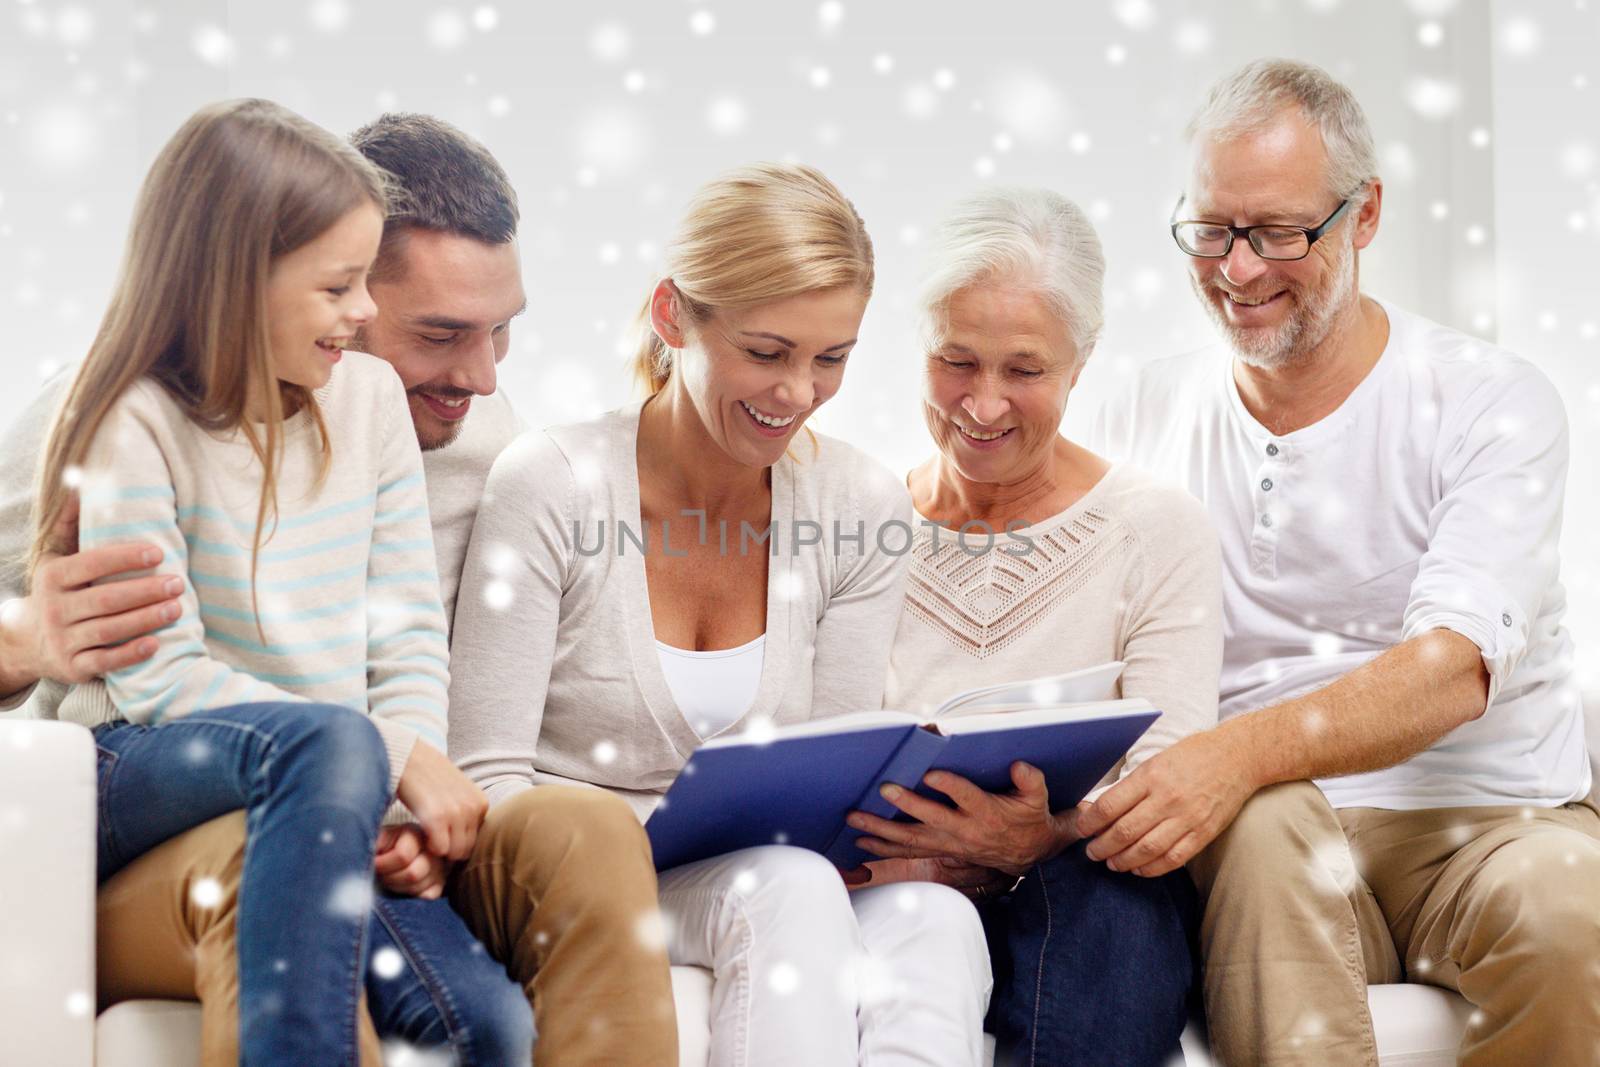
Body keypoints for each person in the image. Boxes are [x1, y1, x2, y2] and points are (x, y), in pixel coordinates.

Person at [0, 111, 678, 1066]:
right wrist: (29, 637)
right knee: (307, 792)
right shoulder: (111, 414)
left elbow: (412, 647)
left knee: (536, 923)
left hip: (358, 789)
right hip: (174, 781)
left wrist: (408, 804)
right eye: (439, 332)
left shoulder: (431, 421)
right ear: (246, 285)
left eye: (503, 334)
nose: (480, 378)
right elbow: (155, 681)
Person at [1087, 59, 1600, 1066]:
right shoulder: (1133, 414)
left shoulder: (1488, 400)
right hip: (1277, 839)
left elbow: (1452, 667)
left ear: (1363, 216)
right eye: (1211, 230)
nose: (1237, 270)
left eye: (1278, 232)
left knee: (1563, 917)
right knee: (1263, 810)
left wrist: (1233, 751)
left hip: (1494, 818)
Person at [447, 161, 994, 1066]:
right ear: (674, 317)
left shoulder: (857, 501)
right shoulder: (551, 483)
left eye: (832, 358)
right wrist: (636, 836)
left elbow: (836, 760)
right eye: (767, 352)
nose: (798, 394)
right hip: (573, 875)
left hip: (758, 867)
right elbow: (487, 771)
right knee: (783, 886)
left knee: (935, 918)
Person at [842, 187, 1220, 1067]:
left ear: (1081, 363)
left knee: (1107, 898)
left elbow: (1167, 779)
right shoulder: (856, 525)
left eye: (1024, 369)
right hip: (900, 883)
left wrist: (1038, 838)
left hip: (1091, 889)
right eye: (955, 360)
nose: (982, 404)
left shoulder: (1157, 527)